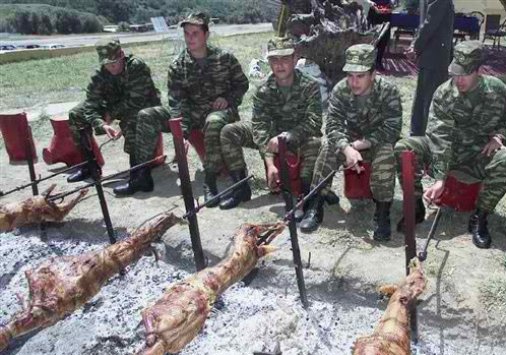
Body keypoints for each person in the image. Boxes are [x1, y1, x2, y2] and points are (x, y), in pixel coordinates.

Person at [394, 41, 506, 248]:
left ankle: (480, 216)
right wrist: (441, 177)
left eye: (465, 74)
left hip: (478, 153)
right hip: (443, 150)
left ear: (479, 70)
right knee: (404, 148)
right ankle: (415, 207)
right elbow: (439, 138)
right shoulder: (444, 93)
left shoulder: (498, 90)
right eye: (455, 73)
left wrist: (499, 137)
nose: (458, 80)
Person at [129, 12, 249, 202]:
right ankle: (141, 174)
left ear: (206, 35)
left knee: (213, 119)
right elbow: (177, 102)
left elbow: (242, 84)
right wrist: (181, 131)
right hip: (190, 115)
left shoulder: (225, 58)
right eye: (186, 33)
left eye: (195, 33)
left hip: (219, 112)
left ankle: (210, 182)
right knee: (147, 115)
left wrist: (228, 98)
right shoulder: (178, 65)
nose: (190, 38)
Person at [300, 44, 402, 242]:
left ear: (372, 75)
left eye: (360, 76)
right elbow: (332, 125)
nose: (354, 82)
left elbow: (392, 128)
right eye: (350, 75)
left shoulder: (388, 91)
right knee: (329, 146)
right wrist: (346, 148)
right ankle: (315, 206)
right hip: (349, 142)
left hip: (376, 143)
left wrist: (359, 146)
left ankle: (382, 214)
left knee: (386, 153)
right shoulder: (340, 90)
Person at [216, 37, 323, 209]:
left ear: (295, 59)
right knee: (229, 131)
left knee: (316, 143)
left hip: (299, 136)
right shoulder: (264, 89)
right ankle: (241, 188)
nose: (279, 64)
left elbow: (314, 122)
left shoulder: (309, 86)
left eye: (285, 58)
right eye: (274, 59)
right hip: (271, 137)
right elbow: (259, 127)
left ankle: (306, 196)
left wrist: (287, 136)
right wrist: (270, 164)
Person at [67, 37, 161, 194]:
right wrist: (100, 123)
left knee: (132, 121)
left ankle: (140, 176)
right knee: (76, 115)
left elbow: (137, 100)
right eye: (106, 64)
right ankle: (89, 165)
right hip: (115, 105)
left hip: (143, 105)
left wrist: (111, 114)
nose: (110, 67)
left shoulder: (136, 66)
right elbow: (91, 103)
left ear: (122, 55)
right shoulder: (101, 74)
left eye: (114, 62)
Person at [406, 0, 454, 136]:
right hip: (434, 57)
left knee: (428, 97)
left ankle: (421, 133)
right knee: (427, 97)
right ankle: (420, 134)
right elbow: (428, 24)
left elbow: (429, 24)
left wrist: (415, 47)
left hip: (435, 56)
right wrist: (416, 46)